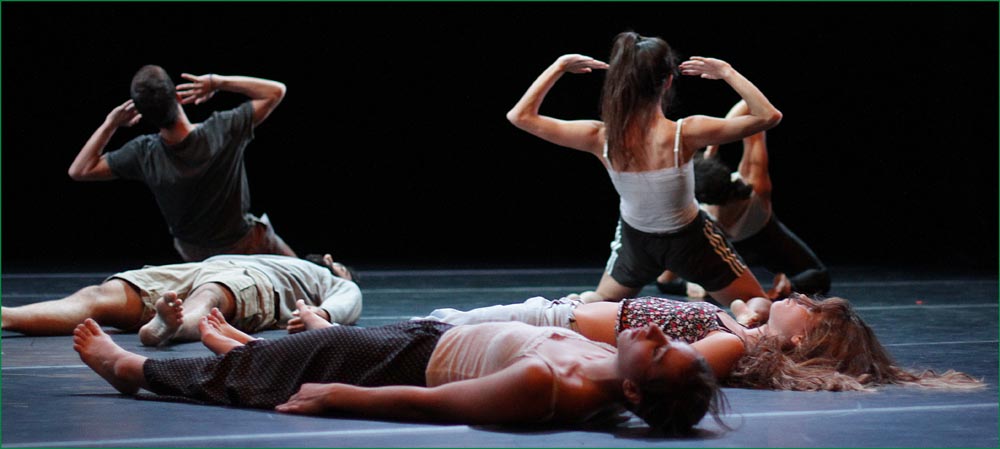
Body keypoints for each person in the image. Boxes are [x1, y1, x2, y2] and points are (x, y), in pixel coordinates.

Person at [71, 302, 726, 435]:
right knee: (295, 351)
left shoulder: (549, 387)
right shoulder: (610, 362)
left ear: (633, 386)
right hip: (431, 335)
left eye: (659, 348)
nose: (656, 331)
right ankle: (253, 349)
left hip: (406, 363)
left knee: (270, 374)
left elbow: (434, 405)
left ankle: (134, 370)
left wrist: (339, 395)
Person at [505, 31, 782, 324]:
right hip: (688, 240)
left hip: (637, 241)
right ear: (668, 81)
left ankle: (576, 306)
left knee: (598, 302)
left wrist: (559, 66)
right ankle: (745, 313)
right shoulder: (685, 132)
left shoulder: (601, 137)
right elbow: (769, 116)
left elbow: (520, 116)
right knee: (758, 303)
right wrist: (726, 71)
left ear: (622, 83)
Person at [417, 294, 984, 391]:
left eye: (811, 307)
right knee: (434, 327)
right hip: (558, 316)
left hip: (552, 324)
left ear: (804, 335)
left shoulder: (734, 347)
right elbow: (751, 305)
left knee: (433, 328)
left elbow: (672, 362)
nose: (801, 297)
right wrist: (753, 317)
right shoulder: (745, 331)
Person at [67, 65, 295, 262]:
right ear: (178, 97)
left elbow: (80, 170)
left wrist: (111, 123)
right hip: (243, 244)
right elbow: (275, 91)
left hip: (194, 253)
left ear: (142, 114)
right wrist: (217, 82)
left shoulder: (143, 154)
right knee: (305, 273)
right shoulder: (221, 130)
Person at [655, 100, 830, 300]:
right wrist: (715, 142)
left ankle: (700, 287)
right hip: (766, 242)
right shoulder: (754, 183)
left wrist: (689, 283)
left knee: (665, 281)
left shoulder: (696, 207)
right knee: (818, 276)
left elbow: (665, 277)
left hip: (737, 251)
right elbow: (748, 105)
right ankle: (787, 285)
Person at [1, 254, 362, 346]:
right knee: (100, 295)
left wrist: (322, 311)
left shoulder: (326, 279)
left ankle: (167, 327)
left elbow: (350, 295)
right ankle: (7, 315)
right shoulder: (301, 263)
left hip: (246, 277)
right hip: (210, 267)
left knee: (210, 295)